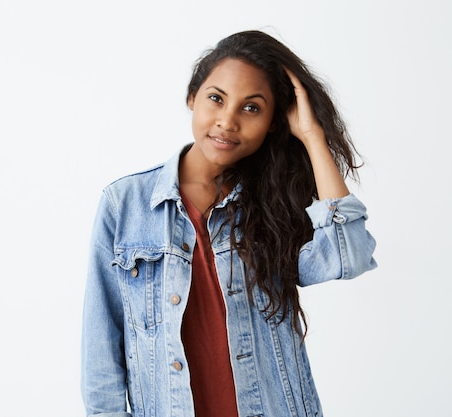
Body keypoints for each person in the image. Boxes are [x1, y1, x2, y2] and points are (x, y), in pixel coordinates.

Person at [81, 30, 377, 417]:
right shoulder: (125, 204)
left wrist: (311, 135)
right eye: (216, 99)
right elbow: (101, 348)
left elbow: (347, 256)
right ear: (192, 97)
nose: (227, 121)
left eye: (251, 108)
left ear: (274, 122)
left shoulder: (274, 205)